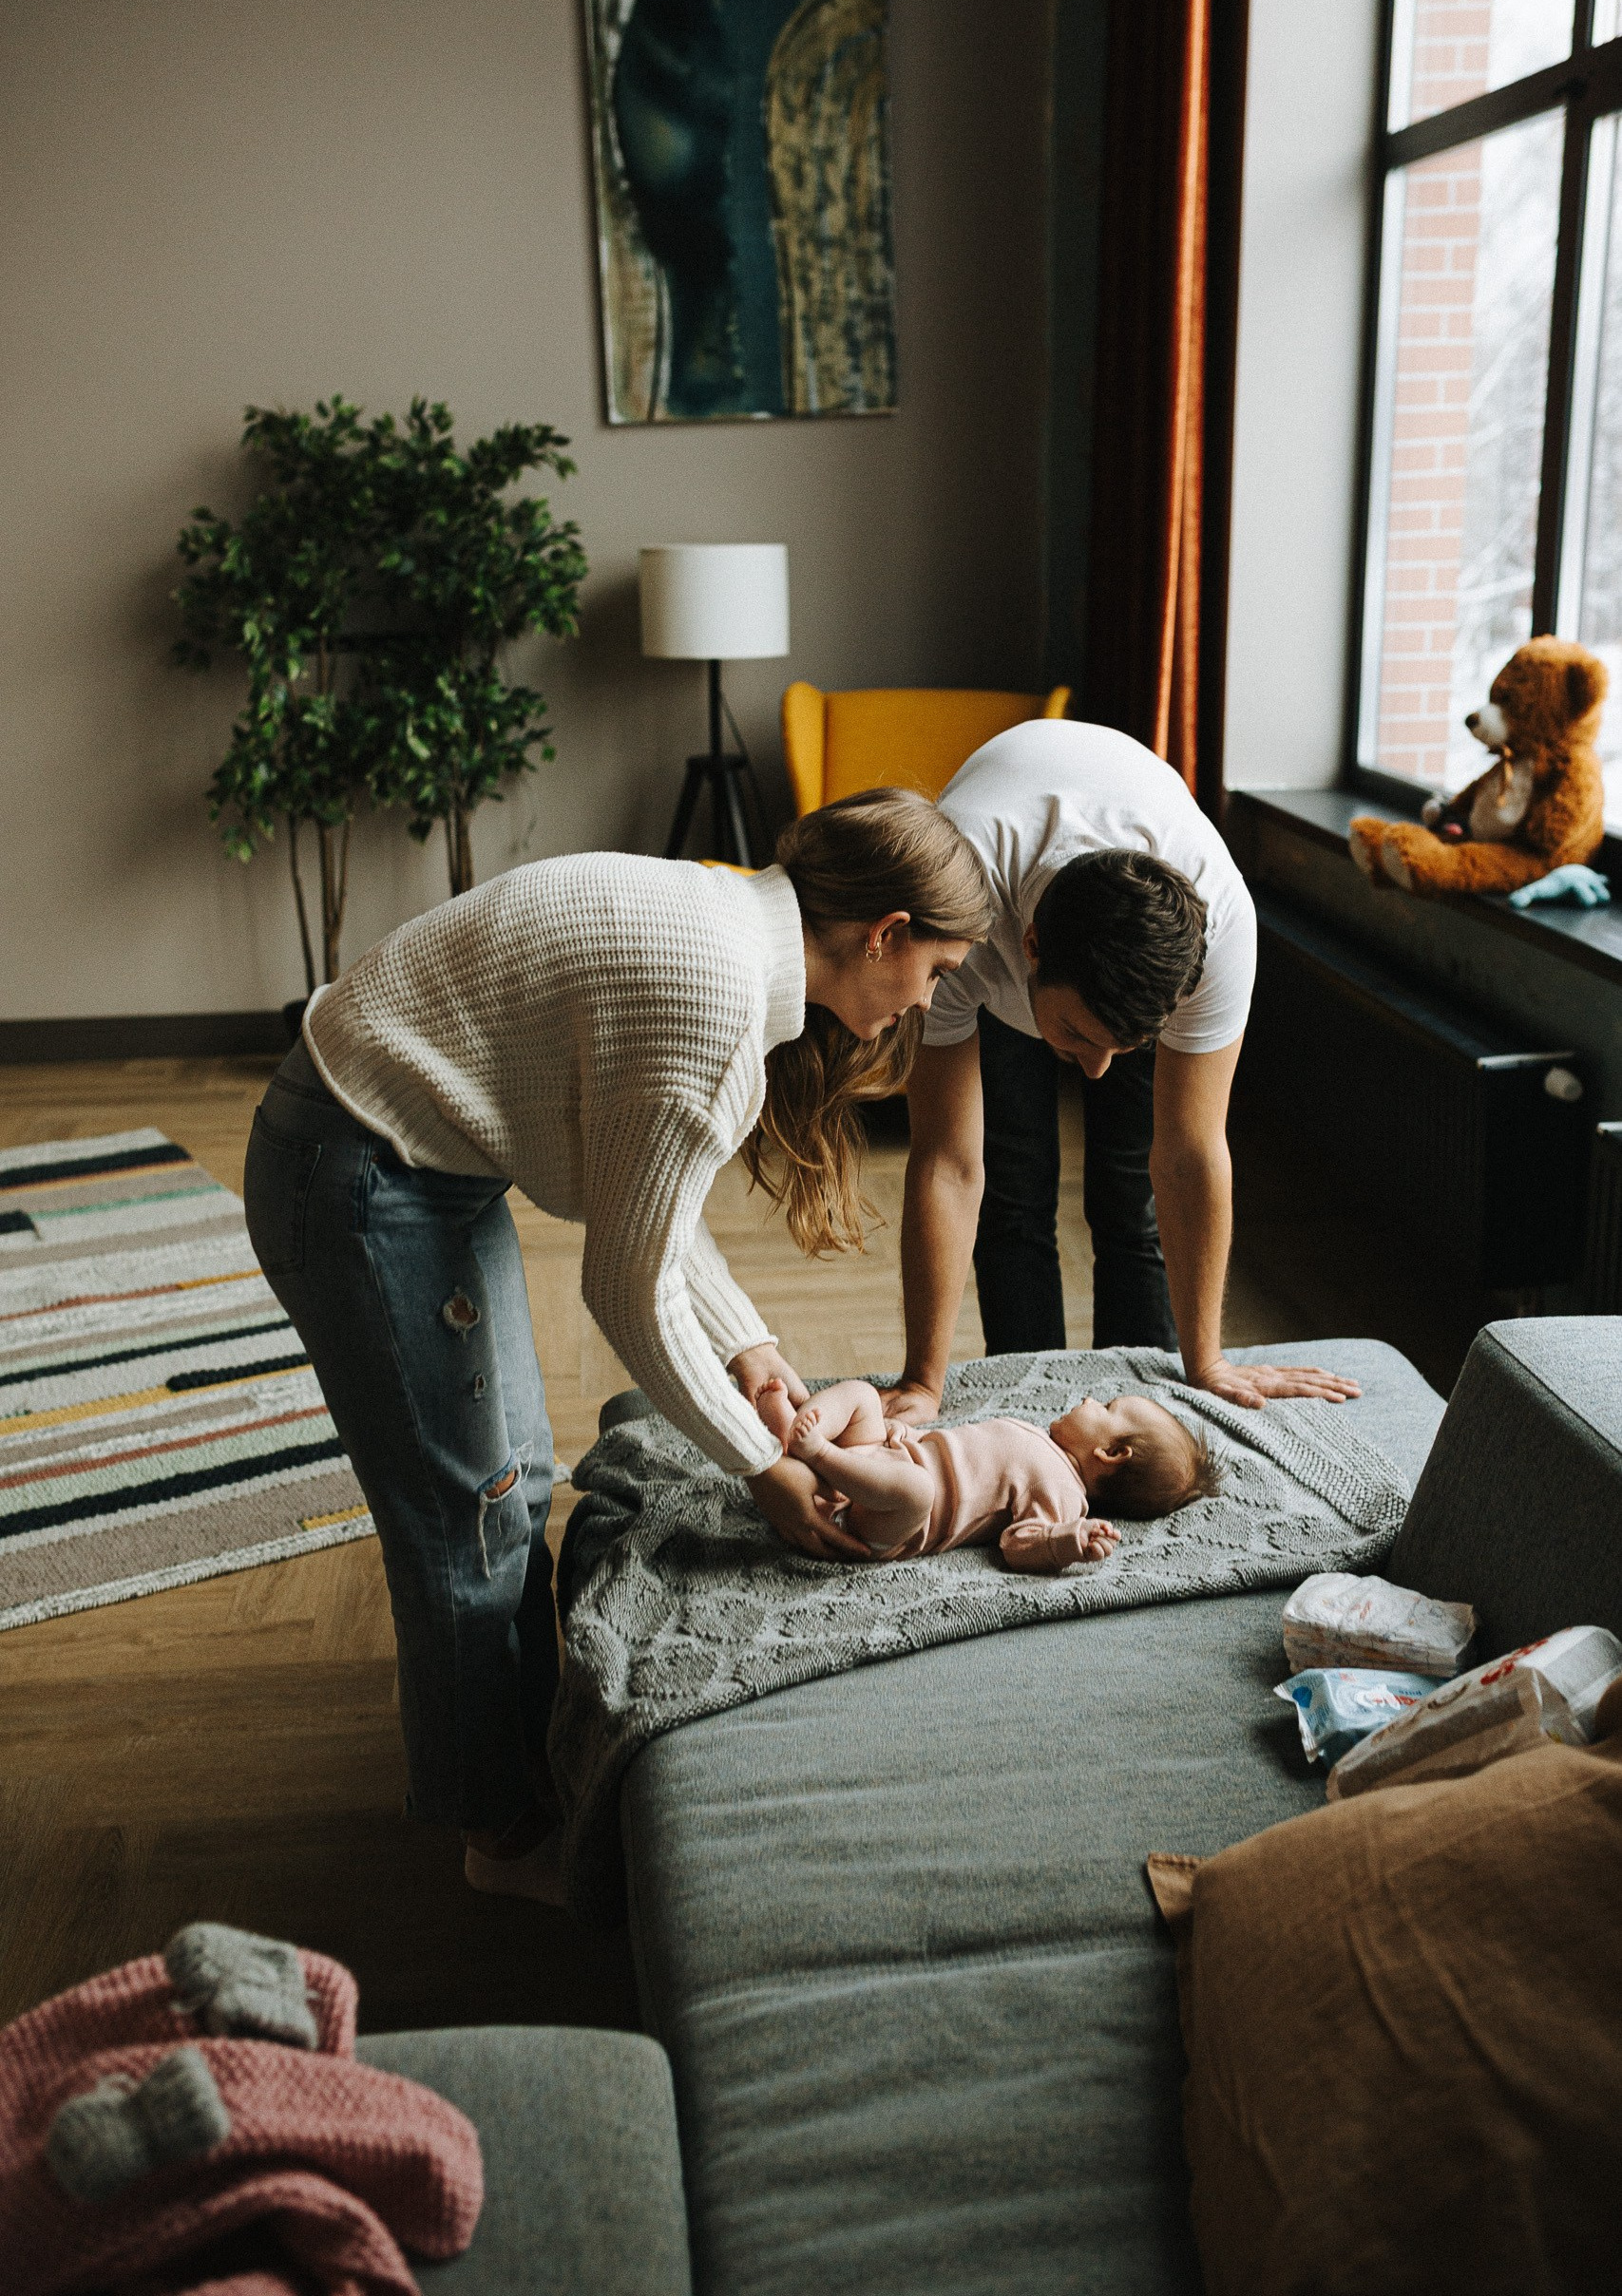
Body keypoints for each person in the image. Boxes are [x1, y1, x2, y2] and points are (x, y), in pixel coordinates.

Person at [241, 791, 993, 1900]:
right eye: (935, 970)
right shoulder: (723, 1003)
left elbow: (644, 1207)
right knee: (469, 1513)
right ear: (884, 935)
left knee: (509, 1477)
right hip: (358, 1170)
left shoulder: (733, 929)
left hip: (414, 1155)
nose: (927, 1000)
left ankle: (515, 1772)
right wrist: (766, 1465)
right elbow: (627, 1292)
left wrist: (751, 1350)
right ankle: (499, 1835)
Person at [882, 720, 1361, 1435]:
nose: (1098, 1069)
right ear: (1031, 948)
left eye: (1122, 1046)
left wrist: (1208, 1363)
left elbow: (1190, 1154)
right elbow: (947, 1163)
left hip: (1111, 939)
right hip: (992, 907)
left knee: (1130, 1197)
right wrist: (922, 1382)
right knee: (1013, 1192)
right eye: (1079, 1036)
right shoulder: (953, 908)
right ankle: (1031, 1408)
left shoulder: (1221, 928)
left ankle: (1139, 1418)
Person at [756, 1375, 1217, 1567]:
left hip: (887, 1522)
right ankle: (791, 1433)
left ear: (1112, 1454)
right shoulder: (1036, 1435)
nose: (1090, 1399)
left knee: (918, 1490)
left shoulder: (1064, 1495)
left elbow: (1018, 1545)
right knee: (862, 1396)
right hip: (885, 1458)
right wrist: (899, 1434)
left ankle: (814, 1455)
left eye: (1108, 1407)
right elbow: (952, 1449)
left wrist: (1065, 1541)